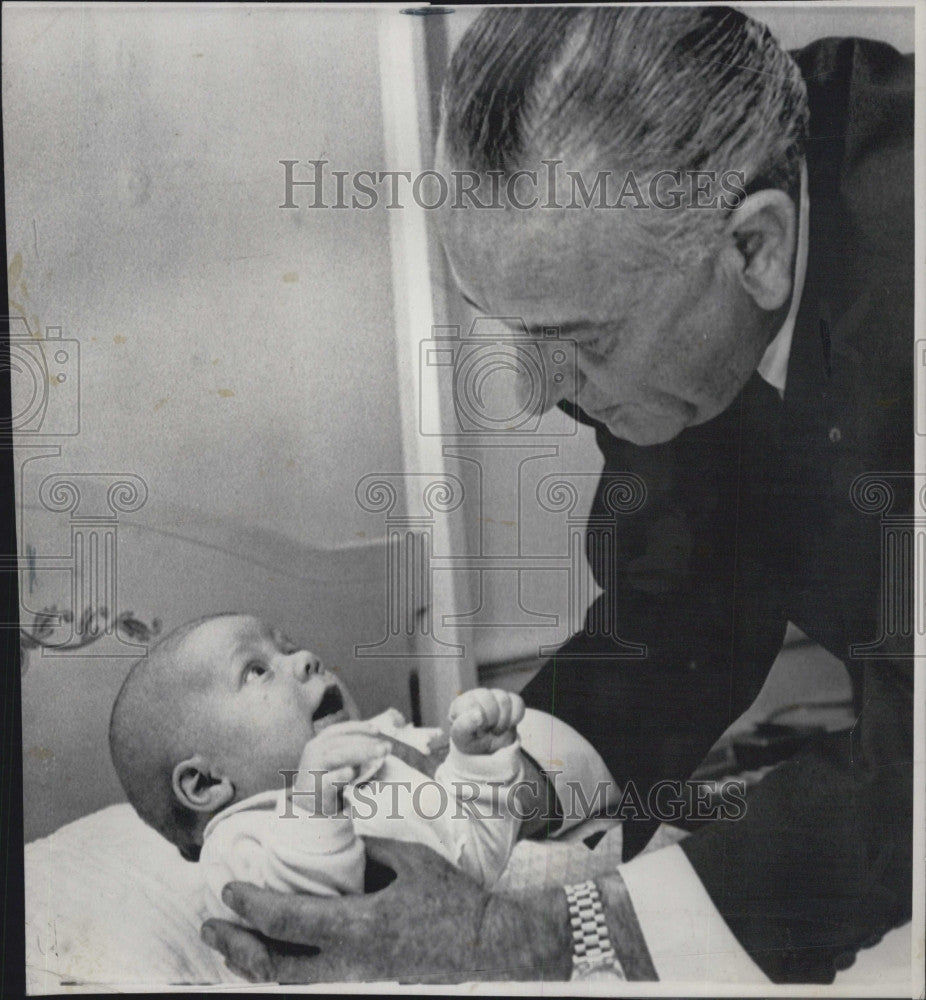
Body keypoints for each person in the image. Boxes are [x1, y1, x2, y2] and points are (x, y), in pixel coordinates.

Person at [200, 6, 915, 985]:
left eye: (582, 338)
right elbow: (680, 601)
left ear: (756, 249)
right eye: (511, 330)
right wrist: (500, 787)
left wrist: (541, 933)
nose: (537, 395)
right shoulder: (702, 182)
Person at [109, 613, 614, 922]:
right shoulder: (239, 839)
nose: (306, 657)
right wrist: (311, 809)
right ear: (206, 783)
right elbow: (298, 918)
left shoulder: (383, 753)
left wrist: (477, 766)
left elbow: (474, 861)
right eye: (256, 669)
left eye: (289, 648)